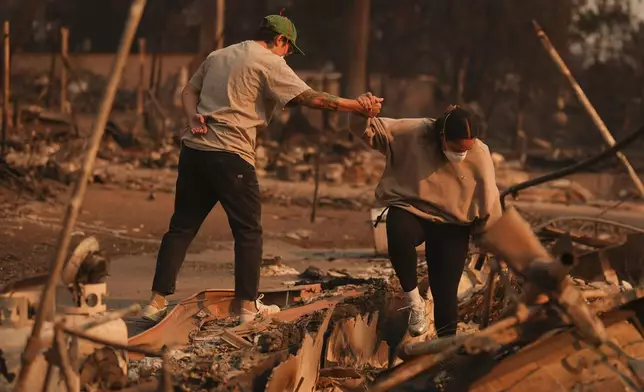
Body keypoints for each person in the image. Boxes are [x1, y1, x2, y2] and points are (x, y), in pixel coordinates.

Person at [143, 14, 379, 324]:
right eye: (289, 50)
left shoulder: (220, 55)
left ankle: (155, 302)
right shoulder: (269, 61)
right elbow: (310, 98)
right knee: (248, 232)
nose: (287, 57)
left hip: (195, 151)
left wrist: (192, 118)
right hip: (231, 155)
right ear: (280, 40)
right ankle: (246, 307)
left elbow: (189, 92)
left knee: (182, 227)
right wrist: (358, 106)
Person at [349, 95, 606, 343]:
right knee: (398, 229)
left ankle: (444, 351)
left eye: (467, 149)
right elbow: (371, 132)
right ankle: (413, 301)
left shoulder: (480, 154)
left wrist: (498, 245)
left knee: (446, 293)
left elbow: (489, 203)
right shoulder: (415, 132)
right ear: (442, 137)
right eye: (457, 148)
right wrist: (363, 112)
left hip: (453, 224)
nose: (462, 154)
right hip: (412, 209)